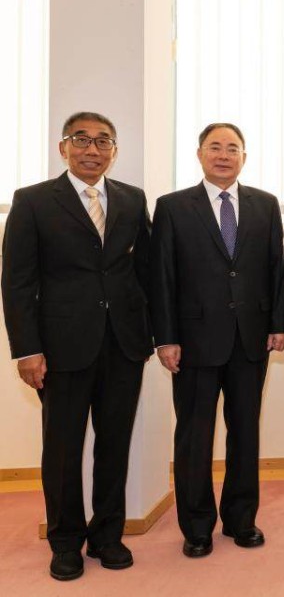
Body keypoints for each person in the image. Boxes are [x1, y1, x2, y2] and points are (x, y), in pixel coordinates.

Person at [1, 112, 152, 581]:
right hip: (61, 347)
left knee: (114, 444)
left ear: (114, 150)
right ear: (62, 147)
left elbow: (146, 273)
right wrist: (27, 349)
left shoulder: (131, 199)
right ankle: (65, 542)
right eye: (81, 140)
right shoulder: (32, 202)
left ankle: (108, 535)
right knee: (62, 448)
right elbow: (17, 282)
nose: (93, 149)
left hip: (123, 344)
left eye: (103, 141)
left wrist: (151, 334)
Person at [150, 123, 284, 558]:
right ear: (199, 154)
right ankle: (196, 527)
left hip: (250, 339)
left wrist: (279, 323)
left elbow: (276, 268)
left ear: (244, 157)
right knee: (194, 435)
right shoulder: (173, 207)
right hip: (192, 342)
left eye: (233, 148)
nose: (224, 155)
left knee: (245, 432)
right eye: (215, 147)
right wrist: (166, 338)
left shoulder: (265, 205)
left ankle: (241, 520)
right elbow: (162, 277)